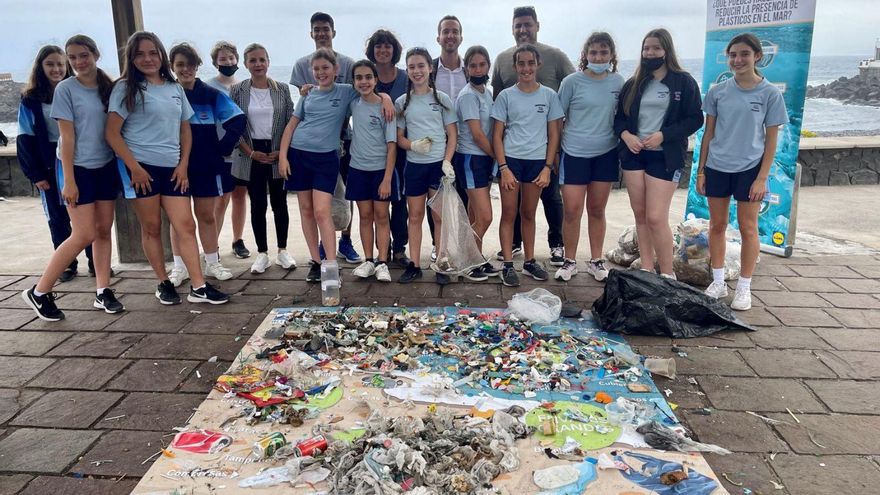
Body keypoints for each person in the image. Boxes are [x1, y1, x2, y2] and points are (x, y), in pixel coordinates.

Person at [105, 31, 229, 305]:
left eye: (152, 52)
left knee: (186, 224)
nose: (147, 59)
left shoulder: (174, 89)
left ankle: (198, 287)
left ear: (161, 56)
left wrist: (183, 166)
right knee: (151, 227)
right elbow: (112, 133)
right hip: (141, 170)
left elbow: (185, 129)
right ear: (131, 58)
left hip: (173, 168)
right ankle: (163, 282)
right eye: (140, 54)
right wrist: (134, 168)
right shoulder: (125, 88)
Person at [21, 35, 122, 321]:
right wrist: (69, 180)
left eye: (83, 55)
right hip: (76, 169)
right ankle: (40, 292)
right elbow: (66, 137)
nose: (78, 62)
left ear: (95, 54)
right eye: (73, 57)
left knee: (103, 230)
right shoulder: (65, 89)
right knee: (83, 234)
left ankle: (103, 290)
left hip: (105, 167)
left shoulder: (108, 87)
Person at [280, 49, 393, 283]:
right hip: (298, 154)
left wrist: (388, 98)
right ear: (312, 71)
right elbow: (291, 126)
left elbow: (370, 89)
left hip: (326, 158)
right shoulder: (307, 95)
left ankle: (330, 265)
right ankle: (316, 261)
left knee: (323, 212)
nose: (321, 72)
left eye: (325, 68)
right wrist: (283, 156)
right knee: (306, 211)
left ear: (336, 70)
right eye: (317, 69)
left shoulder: (346, 92)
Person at [698, 33, 787, 311]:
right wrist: (701, 171)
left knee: (749, 228)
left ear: (757, 56)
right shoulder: (717, 92)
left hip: (750, 169)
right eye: (733, 55)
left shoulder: (770, 93)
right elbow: (708, 134)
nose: (738, 60)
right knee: (717, 225)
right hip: (717, 166)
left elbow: (771, 140)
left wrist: (762, 177)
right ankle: (718, 280)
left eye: (744, 54)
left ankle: (745, 287)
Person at [614, 28, 703, 279]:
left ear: (666, 50)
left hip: (665, 156)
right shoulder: (634, 84)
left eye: (655, 48)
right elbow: (619, 119)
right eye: (646, 48)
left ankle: (667, 274)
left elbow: (695, 118)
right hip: (634, 156)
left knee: (655, 217)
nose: (650, 53)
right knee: (640, 215)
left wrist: (664, 135)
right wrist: (627, 136)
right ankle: (646, 268)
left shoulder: (683, 82)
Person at [491, 5, 572, 266]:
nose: (523, 29)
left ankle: (554, 245)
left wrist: (553, 157)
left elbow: (573, 91)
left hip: (544, 152)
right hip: (513, 156)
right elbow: (497, 109)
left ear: (537, 25)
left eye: (527, 24)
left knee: (548, 201)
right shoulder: (502, 61)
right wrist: (502, 165)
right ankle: (511, 252)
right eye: (518, 25)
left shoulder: (556, 57)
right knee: (511, 211)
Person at [168, 43, 247, 286]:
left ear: (197, 67)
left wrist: (222, 148)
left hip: (206, 165)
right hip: (173, 165)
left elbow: (238, 120)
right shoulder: (168, 94)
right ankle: (179, 267)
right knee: (179, 220)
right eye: (180, 65)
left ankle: (212, 262)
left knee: (206, 216)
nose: (185, 69)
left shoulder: (210, 95)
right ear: (172, 67)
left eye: (190, 65)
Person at [16, 45, 94, 282]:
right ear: (41, 67)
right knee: (57, 217)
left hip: (77, 161)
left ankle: (94, 261)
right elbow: (24, 138)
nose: (56, 69)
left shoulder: (75, 91)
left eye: (60, 64)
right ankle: (67, 265)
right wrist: (36, 174)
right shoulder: (30, 100)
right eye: (50, 64)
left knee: (86, 217)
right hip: (48, 166)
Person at [290, 12, 361, 265]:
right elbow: (302, 101)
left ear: (333, 31)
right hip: (311, 144)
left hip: (344, 138)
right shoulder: (301, 65)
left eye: (326, 29)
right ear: (311, 33)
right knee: (317, 206)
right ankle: (320, 253)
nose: (321, 33)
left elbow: (362, 91)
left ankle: (346, 241)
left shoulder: (349, 63)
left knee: (346, 194)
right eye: (317, 29)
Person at [555, 32, 625, 282]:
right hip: (574, 154)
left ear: (611, 56)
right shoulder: (571, 82)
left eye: (603, 52)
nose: (598, 57)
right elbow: (556, 119)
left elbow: (623, 118)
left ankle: (596, 261)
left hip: (605, 154)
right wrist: (554, 152)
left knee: (597, 209)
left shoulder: (618, 82)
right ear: (585, 55)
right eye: (593, 52)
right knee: (572, 211)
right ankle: (569, 260)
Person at [229, 43, 296, 275]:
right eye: (252, 60)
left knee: (280, 203)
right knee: (257, 204)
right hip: (251, 152)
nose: (258, 64)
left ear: (268, 61)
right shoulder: (237, 90)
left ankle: (283, 250)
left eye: (262, 60)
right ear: (246, 64)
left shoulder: (283, 89)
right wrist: (249, 152)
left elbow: (291, 121)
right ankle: (262, 253)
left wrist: (283, 151)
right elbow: (232, 125)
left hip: (278, 151)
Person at [395, 47, 457, 285]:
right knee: (415, 216)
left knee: (439, 217)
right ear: (407, 70)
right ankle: (415, 264)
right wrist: (412, 145)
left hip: (437, 167)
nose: (417, 71)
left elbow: (453, 135)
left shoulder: (442, 99)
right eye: (411, 67)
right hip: (415, 167)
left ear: (430, 68)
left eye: (421, 66)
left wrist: (447, 161)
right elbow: (399, 138)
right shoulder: (402, 102)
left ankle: (442, 262)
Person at [346, 60, 399, 282]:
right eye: (359, 77)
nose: (364, 81)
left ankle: (382, 261)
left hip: (381, 171)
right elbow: (330, 90)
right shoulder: (353, 103)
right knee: (365, 216)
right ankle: (368, 260)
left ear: (376, 80)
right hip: (358, 169)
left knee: (381, 216)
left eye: (369, 77)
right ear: (354, 82)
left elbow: (392, 145)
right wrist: (306, 89)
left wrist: (387, 179)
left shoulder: (386, 107)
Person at [453, 45, 499, 281]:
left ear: (488, 66)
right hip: (471, 158)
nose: (478, 69)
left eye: (482, 64)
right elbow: (477, 134)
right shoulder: (469, 95)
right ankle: (465, 259)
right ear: (466, 68)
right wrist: (498, 157)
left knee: (474, 216)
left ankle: (477, 258)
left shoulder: (486, 92)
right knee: (485, 216)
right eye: (473, 65)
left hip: (483, 159)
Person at [366, 29, 410, 268]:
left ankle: (400, 248)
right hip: (371, 150)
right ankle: (379, 250)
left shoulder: (406, 78)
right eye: (378, 46)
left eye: (387, 46)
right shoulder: (365, 78)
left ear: (395, 50)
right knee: (375, 202)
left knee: (399, 199)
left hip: (402, 147)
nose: (383, 50)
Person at [205, 41, 251, 260]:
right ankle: (211, 245)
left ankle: (237, 239)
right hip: (220, 150)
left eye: (231, 58)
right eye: (223, 59)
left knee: (240, 196)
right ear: (215, 63)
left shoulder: (243, 85)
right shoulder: (209, 86)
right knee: (220, 199)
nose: (228, 62)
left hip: (242, 151)